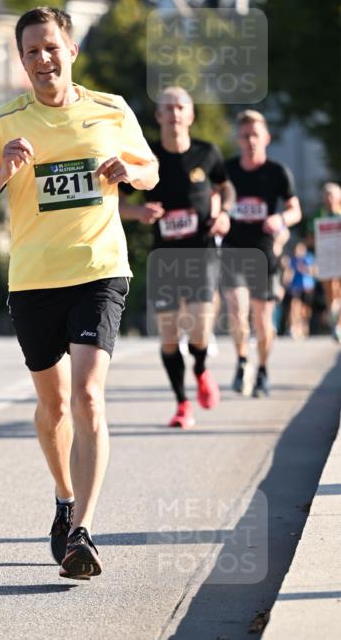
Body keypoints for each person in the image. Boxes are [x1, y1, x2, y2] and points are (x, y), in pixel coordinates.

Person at [0, 6, 158, 580]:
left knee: (89, 395)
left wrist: (130, 173)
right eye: (31, 52)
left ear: (71, 50)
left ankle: (84, 532)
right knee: (54, 405)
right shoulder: (1, 122)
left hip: (99, 268)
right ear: (21, 62)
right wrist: (3, 171)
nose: (43, 59)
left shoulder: (110, 109)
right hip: (35, 279)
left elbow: (153, 170)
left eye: (51, 47)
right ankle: (65, 499)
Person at [121, 87, 233, 429]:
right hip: (165, 259)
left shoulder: (207, 153)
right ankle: (183, 404)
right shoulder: (146, 159)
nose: (173, 113)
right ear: (158, 117)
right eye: (166, 108)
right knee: (168, 336)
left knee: (200, 329)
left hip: (201, 255)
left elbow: (225, 187)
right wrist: (138, 213)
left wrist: (224, 212)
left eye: (180, 107)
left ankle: (200, 369)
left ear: (191, 114)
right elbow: (115, 201)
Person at [221, 110, 301, 395]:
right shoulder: (227, 171)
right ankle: (243, 361)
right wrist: (218, 217)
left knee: (262, 319)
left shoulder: (277, 172)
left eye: (256, 135)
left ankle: (263, 370)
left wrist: (281, 219)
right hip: (232, 250)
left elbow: (295, 210)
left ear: (266, 137)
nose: (251, 140)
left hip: (262, 252)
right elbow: (212, 201)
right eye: (245, 136)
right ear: (238, 139)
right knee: (236, 311)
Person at [317, 182, 341, 341]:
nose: (329, 198)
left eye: (332, 194)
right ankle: (334, 320)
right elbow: (310, 239)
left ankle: (338, 325)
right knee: (330, 292)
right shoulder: (319, 216)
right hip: (326, 261)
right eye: (326, 195)